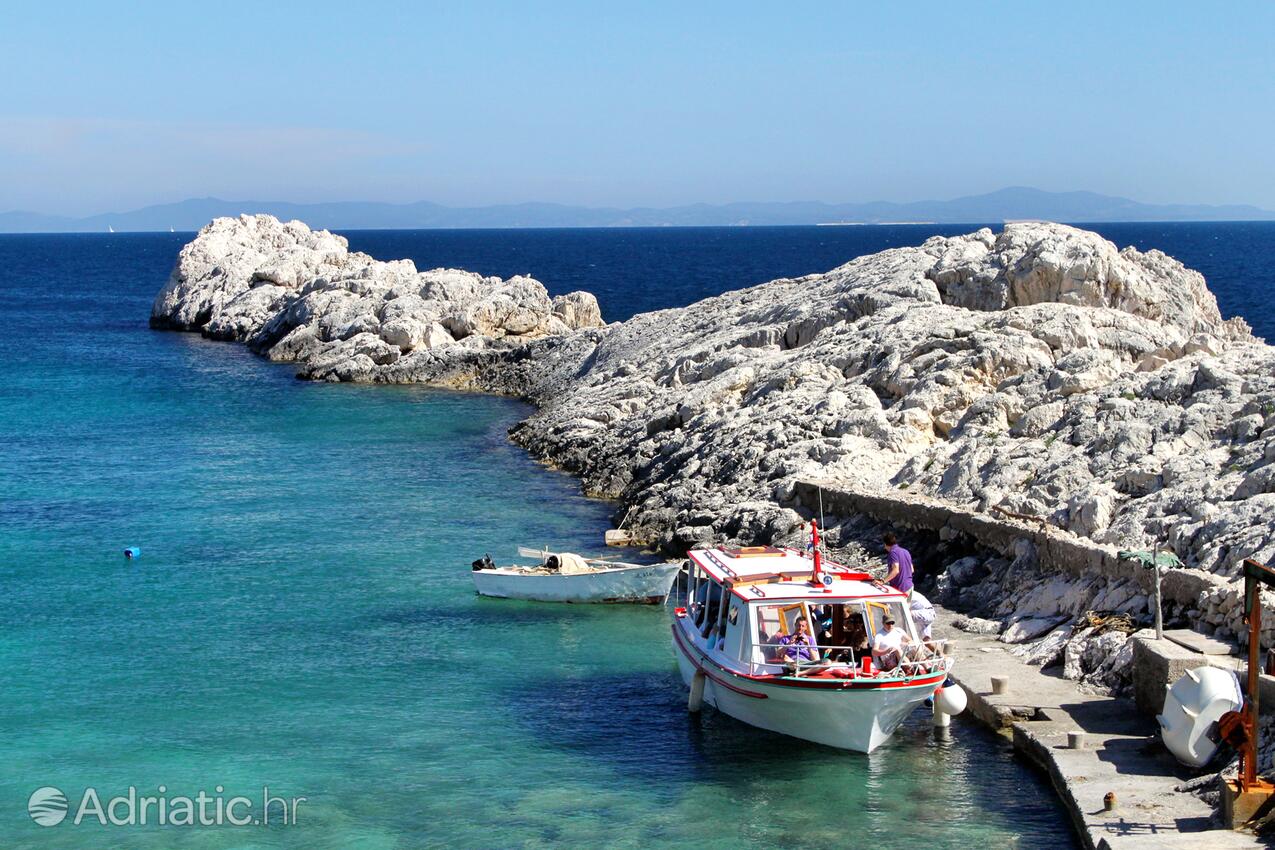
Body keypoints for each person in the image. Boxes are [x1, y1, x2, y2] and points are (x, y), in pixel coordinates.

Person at [879, 532, 914, 598]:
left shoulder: (892, 553)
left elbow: (896, 570)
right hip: (909, 586)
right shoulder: (906, 551)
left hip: (900, 588)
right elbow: (911, 570)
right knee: (906, 608)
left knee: (897, 608)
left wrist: (883, 581)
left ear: (885, 544)